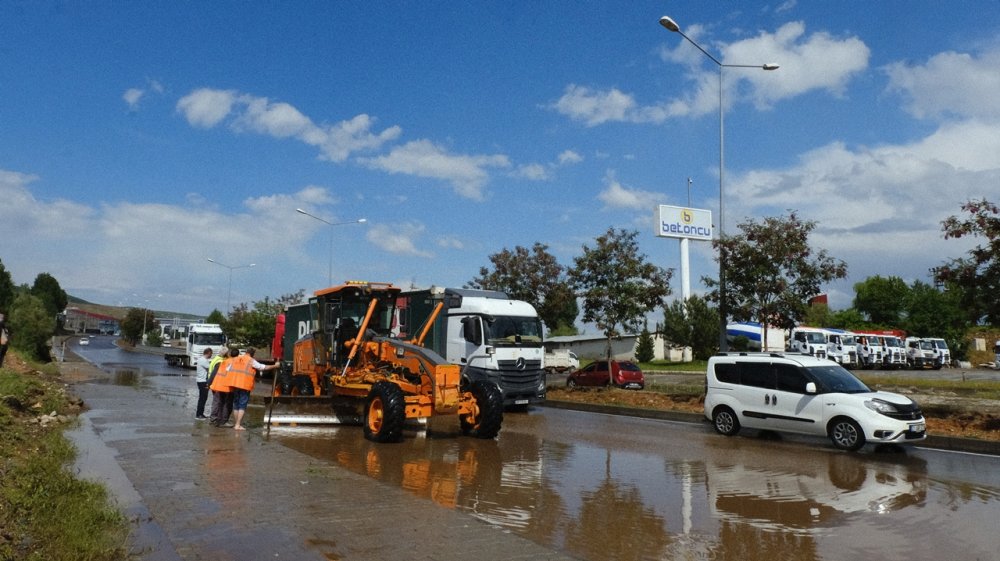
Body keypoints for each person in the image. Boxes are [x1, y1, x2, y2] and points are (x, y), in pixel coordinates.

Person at [226, 346, 280, 431]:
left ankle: (236, 423)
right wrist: (275, 366)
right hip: (244, 385)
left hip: (235, 384)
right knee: (242, 405)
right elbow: (263, 367)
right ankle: (238, 425)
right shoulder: (251, 360)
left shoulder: (237, 358)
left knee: (236, 404)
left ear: (246, 352)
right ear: (252, 354)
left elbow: (228, 369)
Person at [209, 347, 238, 427]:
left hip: (217, 385)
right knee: (226, 404)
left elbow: (214, 373)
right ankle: (223, 421)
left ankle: (215, 419)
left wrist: (209, 383)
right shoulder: (233, 363)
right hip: (226, 386)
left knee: (217, 402)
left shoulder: (222, 361)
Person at [194, 347, 213, 420]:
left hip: (200, 381)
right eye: (211, 354)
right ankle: (199, 415)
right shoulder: (204, 361)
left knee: (203, 398)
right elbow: (210, 368)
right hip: (203, 381)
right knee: (203, 398)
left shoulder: (201, 359)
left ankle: (201, 413)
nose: (211, 355)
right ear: (208, 353)